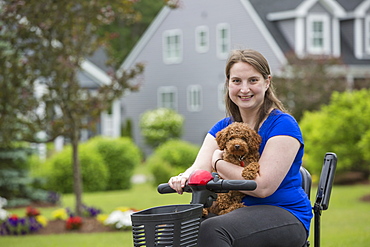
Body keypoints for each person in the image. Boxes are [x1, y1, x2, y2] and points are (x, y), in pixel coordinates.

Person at [168, 49, 312, 246]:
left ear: (267, 82)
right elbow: (198, 169)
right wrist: (183, 177)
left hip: (283, 213)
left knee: (211, 230)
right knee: (179, 228)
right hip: (236, 212)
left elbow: (262, 187)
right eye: (237, 81)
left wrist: (218, 162)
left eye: (253, 80)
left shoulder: (283, 125)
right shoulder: (222, 128)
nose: (244, 89)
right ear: (228, 84)